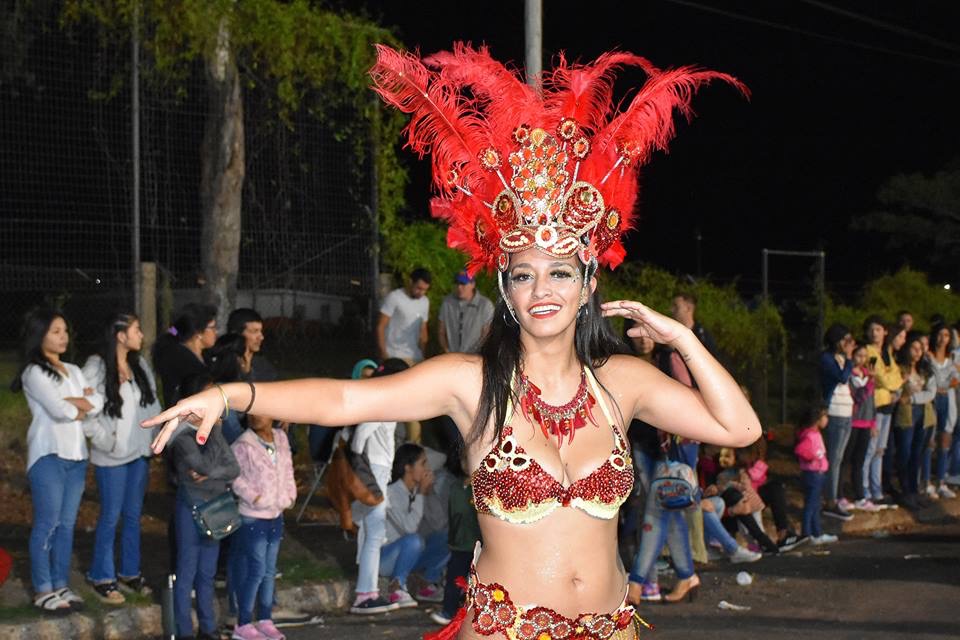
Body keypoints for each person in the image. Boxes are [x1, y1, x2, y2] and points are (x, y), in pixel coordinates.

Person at [147, 44, 757, 640]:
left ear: (589, 280)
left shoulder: (621, 383)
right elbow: (345, 403)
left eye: (560, 272)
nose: (542, 289)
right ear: (505, 286)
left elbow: (739, 430)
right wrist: (229, 394)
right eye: (524, 274)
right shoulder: (470, 381)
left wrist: (683, 339)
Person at [13, 308, 104, 614]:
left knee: (66, 526)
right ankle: (42, 589)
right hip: (48, 455)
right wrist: (81, 404)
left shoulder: (74, 370)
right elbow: (58, 411)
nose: (63, 336)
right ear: (40, 335)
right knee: (47, 524)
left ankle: (60, 583)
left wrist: (80, 404)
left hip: (76, 456)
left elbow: (98, 403)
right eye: (55, 331)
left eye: (65, 330)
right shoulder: (34, 372)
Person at [82, 313, 160, 604]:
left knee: (132, 516)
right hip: (112, 457)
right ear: (120, 335)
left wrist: (155, 442)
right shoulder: (96, 367)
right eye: (137, 330)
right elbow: (85, 412)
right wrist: (107, 441)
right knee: (110, 516)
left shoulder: (140, 365)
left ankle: (129, 571)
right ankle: (101, 575)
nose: (142, 335)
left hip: (139, 454)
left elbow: (152, 406)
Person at [169, 372, 240, 640]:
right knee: (187, 571)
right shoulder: (183, 439)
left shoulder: (214, 432)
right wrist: (215, 438)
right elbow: (205, 465)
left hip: (216, 509)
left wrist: (211, 471)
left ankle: (208, 629)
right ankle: (184, 630)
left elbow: (234, 468)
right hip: (192, 507)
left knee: (207, 573)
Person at [348, 358, 410, 615]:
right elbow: (360, 436)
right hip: (374, 472)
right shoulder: (383, 402)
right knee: (374, 535)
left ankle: (368, 592)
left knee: (372, 533)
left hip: (375, 471)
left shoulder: (382, 400)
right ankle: (365, 595)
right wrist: (361, 464)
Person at [229, 413, 297, 640]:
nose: (256, 417)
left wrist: (290, 495)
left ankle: (265, 618)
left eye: (262, 412)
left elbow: (288, 469)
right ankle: (243, 622)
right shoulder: (243, 444)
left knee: (269, 570)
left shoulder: (280, 438)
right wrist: (255, 498)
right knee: (256, 569)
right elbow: (235, 478)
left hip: (276, 513)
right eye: (252, 413)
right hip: (253, 516)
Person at [380, 444, 450, 608]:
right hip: (385, 557)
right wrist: (421, 495)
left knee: (448, 537)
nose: (427, 469)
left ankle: (426, 582)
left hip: (412, 553)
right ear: (408, 468)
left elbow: (440, 523)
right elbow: (409, 528)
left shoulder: (418, 492)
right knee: (414, 539)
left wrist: (429, 493)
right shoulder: (390, 493)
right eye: (423, 463)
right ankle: (396, 587)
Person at [378, 268, 431, 443]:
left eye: (424, 289)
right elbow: (381, 326)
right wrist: (385, 355)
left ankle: (414, 444)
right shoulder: (395, 298)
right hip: (395, 356)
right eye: (418, 288)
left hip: (414, 358)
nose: (421, 292)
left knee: (414, 405)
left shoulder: (424, 301)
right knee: (393, 402)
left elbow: (423, 330)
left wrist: (423, 356)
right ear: (410, 282)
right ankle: (389, 441)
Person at [430, 450, 482, 626]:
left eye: (471, 460)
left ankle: (479, 616)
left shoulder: (483, 488)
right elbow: (453, 515)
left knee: (478, 583)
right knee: (454, 579)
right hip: (459, 544)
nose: (467, 465)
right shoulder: (456, 487)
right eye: (464, 460)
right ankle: (448, 611)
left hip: (478, 545)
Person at [862, 318, 904, 508]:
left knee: (880, 450)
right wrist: (892, 384)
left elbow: (896, 376)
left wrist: (892, 383)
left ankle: (877, 490)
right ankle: (865, 490)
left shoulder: (886, 352)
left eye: (878, 329)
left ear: (885, 332)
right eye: (871, 330)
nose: (875, 333)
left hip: (888, 405)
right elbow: (879, 378)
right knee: (870, 449)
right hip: (876, 405)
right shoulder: (869, 353)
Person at [894, 332, 936, 509]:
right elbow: (896, 391)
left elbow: (930, 393)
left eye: (921, 349)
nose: (918, 352)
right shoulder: (900, 369)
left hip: (924, 414)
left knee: (917, 454)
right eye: (914, 348)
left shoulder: (926, 370)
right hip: (905, 415)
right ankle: (905, 491)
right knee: (904, 453)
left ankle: (914, 490)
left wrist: (912, 398)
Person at [819, 323, 855, 521]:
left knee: (840, 459)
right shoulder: (827, 358)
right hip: (835, 411)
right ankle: (829, 500)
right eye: (846, 340)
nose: (849, 344)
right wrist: (849, 359)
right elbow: (841, 378)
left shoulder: (841, 358)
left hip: (847, 410)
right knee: (833, 458)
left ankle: (835, 495)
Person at [153, 303, 218, 407]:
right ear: (198, 333)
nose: (216, 332)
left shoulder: (207, 356)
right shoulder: (178, 360)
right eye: (212, 328)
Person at [793, 404, 836, 545]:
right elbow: (800, 450)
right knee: (811, 505)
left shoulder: (813, 434)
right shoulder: (810, 435)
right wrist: (812, 457)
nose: (827, 419)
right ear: (817, 419)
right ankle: (808, 533)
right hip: (813, 474)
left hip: (816, 474)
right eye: (825, 416)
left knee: (815, 504)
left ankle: (816, 533)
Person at [848, 344, 880, 512]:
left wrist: (873, 423)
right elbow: (858, 397)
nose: (862, 359)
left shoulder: (868, 375)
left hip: (866, 423)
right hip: (853, 421)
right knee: (848, 458)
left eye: (864, 356)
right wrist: (870, 383)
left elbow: (871, 401)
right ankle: (840, 494)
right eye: (859, 355)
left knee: (859, 461)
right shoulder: (850, 376)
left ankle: (860, 495)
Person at [927, 323, 958, 499]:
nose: (943, 338)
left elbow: (955, 380)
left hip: (948, 401)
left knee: (944, 441)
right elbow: (936, 381)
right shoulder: (928, 356)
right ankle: (926, 482)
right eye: (940, 334)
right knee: (929, 442)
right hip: (932, 401)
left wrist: (945, 383)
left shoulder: (952, 358)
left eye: (946, 335)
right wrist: (945, 383)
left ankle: (941, 480)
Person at [438, 270, 494, 355]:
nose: (459, 287)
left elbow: (487, 334)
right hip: (452, 358)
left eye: (463, 283)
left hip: (475, 357)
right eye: (457, 283)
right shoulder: (447, 303)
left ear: (473, 284)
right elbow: (441, 331)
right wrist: (446, 350)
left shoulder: (485, 305)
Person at [227, 308, 278, 383]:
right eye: (254, 331)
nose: (261, 337)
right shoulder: (222, 365)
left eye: (260, 331)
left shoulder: (262, 366)